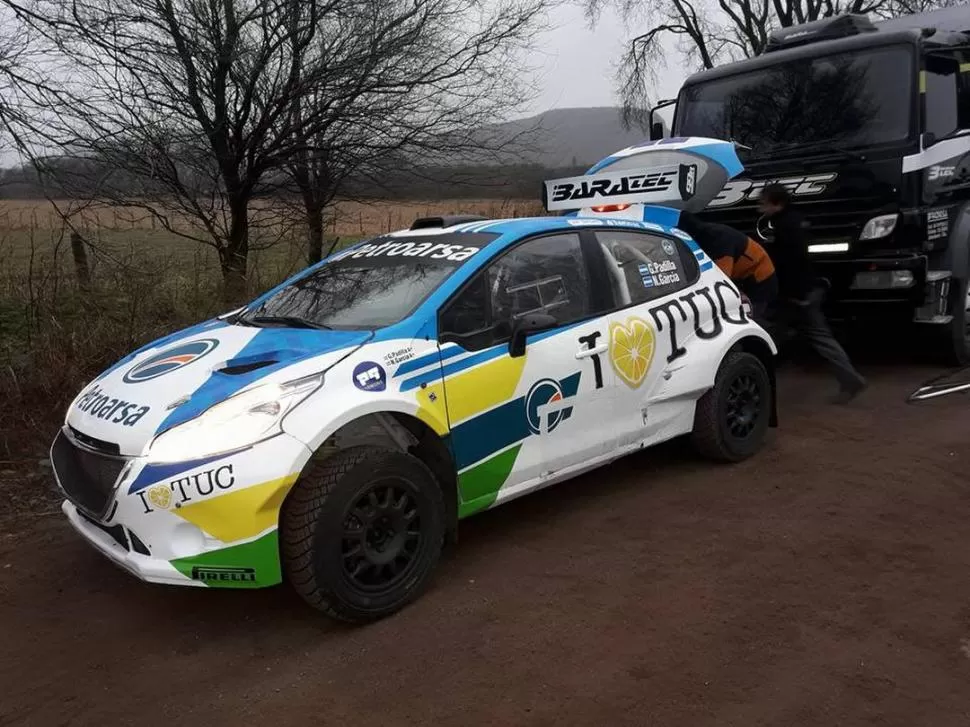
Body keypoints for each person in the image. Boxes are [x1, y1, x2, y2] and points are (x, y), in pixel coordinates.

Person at [758, 183, 867, 404]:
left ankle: (754, 388)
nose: (761, 209)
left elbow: (791, 262)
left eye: (764, 203)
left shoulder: (784, 226)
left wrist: (796, 294)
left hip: (797, 295)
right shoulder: (794, 220)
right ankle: (850, 379)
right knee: (810, 337)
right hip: (803, 292)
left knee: (767, 334)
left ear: (777, 204)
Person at [676, 210, 778, 320]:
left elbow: (722, 279)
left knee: (749, 319)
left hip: (761, 281)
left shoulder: (717, 239)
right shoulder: (704, 233)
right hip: (747, 278)